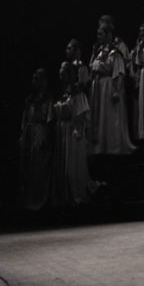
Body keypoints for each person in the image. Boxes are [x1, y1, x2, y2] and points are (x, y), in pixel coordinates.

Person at [51, 40, 94, 207]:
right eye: (60, 74)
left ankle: (77, 192)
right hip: (63, 132)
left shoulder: (78, 94)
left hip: (74, 132)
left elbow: (81, 114)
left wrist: (77, 128)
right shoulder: (64, 94)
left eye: (63, 73)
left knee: (73, 165)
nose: (61, 76)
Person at [89, 24, 136, 155]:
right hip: (98, 86)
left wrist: (117, 90)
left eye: (101, 34)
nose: (98, 37)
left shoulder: (115, 53)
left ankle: (112, 145)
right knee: (100, 115)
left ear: (108, 35)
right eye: (98, 34)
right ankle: (100, 145)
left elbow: (119, 72)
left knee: (109, 115)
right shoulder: (98, 52)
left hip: (108, 86)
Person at [19, 68, 54, 211]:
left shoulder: (48, 99)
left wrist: (47, 135)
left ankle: (40, 199)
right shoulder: (30, 99)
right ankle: (29, 199)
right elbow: (25, 118)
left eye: (37, 79)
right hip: (29, 133)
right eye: (33, 79)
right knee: (28, 166)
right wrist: (23, 134)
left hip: (41, 132)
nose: (34, 82)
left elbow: (49, 118)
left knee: (40, 166)